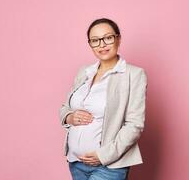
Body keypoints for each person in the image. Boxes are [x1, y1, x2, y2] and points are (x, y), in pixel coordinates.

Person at [59, 18, 148, 180]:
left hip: (108, 166)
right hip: (75, 162)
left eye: (107, 38)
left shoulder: (133, 74)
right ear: (90, 44)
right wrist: (70, 116)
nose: (102, 44)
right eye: (95, 40)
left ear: (118, 39)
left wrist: (104, 155)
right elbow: (65, 107)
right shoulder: (84, 71)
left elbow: (134, 124)